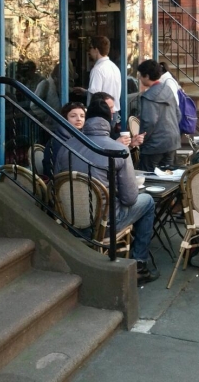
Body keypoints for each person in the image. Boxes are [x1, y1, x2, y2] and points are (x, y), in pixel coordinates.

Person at [54, 99, 158, 283]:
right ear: (109, 120)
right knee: (148, 201)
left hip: (71, 221)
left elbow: (59, 183)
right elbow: (129, 198)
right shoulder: (118, 149)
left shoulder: (66, 147)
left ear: (87, 120)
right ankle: (140, 263)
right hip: (104, 224)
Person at [137, 59, 181, 172]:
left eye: (140, 76)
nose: (139, 79)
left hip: (154, 145)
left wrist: (142, 140)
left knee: (149, 178)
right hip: (172, 141)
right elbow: (178, 114)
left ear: (146, 76)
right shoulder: (168, 89)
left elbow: (149, 122)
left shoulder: (148, 96)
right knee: (169, 179)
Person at [74, 36, 121, 113]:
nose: (89, 51)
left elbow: (95, 96)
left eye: (90, 48)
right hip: (113, 111)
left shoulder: (97, 69)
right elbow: (106, 91)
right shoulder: (114, 67)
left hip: (101, 113)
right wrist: (86, 92)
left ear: (96, 50)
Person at [42, 101, 86, 178]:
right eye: (73, 116)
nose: (79, 119)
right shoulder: (57, 141)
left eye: (82, 116)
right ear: (65, 119)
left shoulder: (82, 137)